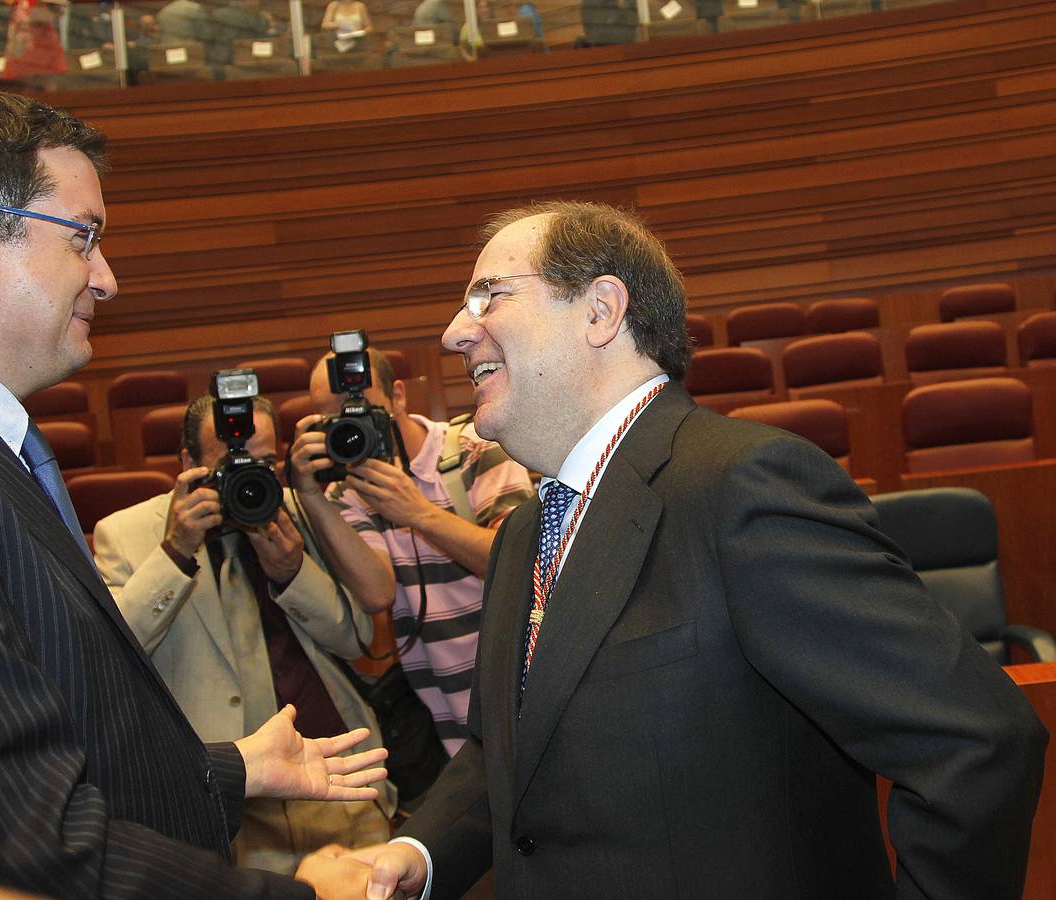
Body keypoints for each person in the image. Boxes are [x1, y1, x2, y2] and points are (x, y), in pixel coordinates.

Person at [349, 200, 1048, 899]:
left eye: (489, 297)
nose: (451, 334)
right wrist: (422, 848)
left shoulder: (742, 487)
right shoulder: (525, 535)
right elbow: (507, 750)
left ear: (599, 311)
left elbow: (974, 742)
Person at [0, 89, 385, 899]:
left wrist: (226, 772)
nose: (106, 278)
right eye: (84, 238)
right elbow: (21, 839)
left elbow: (48, 722)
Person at [94, 393, 394, 875]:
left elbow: (357, 641)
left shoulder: (301, 509)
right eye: (229, 463)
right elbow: (109, 654)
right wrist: (174, 553)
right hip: (227, 791)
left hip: (333, 770)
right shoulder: (125, 533)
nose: (247, 478)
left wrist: (293, 572)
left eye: (262, 462)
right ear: (188, 462)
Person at [289, 348, 534, 759]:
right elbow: (376, 594)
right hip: (449, 725)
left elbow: (524, 564)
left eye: (361, 410)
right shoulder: (345, 493)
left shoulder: (472, 449)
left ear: (398, 396)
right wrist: (311, 496)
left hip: (526, 694)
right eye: (333, 419)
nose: (350, 428)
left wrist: (417, 513)